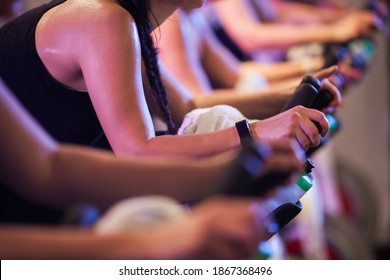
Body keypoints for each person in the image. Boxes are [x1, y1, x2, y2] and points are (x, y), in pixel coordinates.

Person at [0, 78, 305, 259]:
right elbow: (136, 151)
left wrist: (229, 169)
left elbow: (50, 166)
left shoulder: (137, 25)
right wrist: (155, 244)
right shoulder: (105, 16)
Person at [0, 0, 330, 159]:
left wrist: (302, 91)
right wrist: (253, 131)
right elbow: (138, 152)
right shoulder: (104, 19)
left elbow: (188, 103)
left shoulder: (126, 21)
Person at [157, 7, 342, 121]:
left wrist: (309, 71)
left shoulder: (192, 18)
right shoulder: (172, 24)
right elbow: (195, 111)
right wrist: (289, 93)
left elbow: (237, 74)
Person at [208, 0, 379, 62]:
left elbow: (277, 14)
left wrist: (341, 17)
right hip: (238, 79)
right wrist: (333, 32)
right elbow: (251, 37)